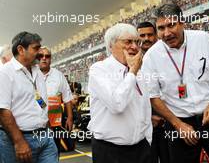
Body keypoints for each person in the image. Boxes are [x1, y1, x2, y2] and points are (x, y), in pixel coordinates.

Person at [142, 4, 209, 163]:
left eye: (171, 25)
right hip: (178, 123)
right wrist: (178, 125)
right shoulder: (151, 56)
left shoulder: (204, 39)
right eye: (161, 28)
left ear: (182, 22)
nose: (166, 33)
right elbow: (153, 97)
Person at [88, 23, 152, 163]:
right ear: (111, 45)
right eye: (128, 42)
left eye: (137, 42)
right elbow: (117, 104)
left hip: (141, 149)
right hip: (110, 151)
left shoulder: (140, 72)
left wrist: (148, 140)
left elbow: (145, 108)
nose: (134, 47)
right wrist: (132, 72)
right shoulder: (99, 69)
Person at [0, 31, 58, 163]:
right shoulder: (5, 73)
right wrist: (19, 142)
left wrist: (46, 124)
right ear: (21, 49)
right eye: (35, 48)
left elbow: (37, 98)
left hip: (45, 137)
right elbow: (3, 110)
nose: (39, 52)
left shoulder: (37, 70)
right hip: (18, 139)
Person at [137, 21, 169, 163]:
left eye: (150, 34)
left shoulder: (168, 56)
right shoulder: (131, 62)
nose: (146, 38)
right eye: (142, 35)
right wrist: (148, 116)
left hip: (169, 121)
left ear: (156, 35)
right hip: (145, 125)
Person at [38, 47, 73, 154]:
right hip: (36, 125)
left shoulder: (59, 75)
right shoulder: (32, 74)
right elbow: (35, 97)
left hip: (55, 124)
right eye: (41, 56)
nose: (44, 58)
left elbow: (67, 97)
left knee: (54, 153)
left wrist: (70, 118)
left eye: (47, 56)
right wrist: (45, 112)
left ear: (51, 59)